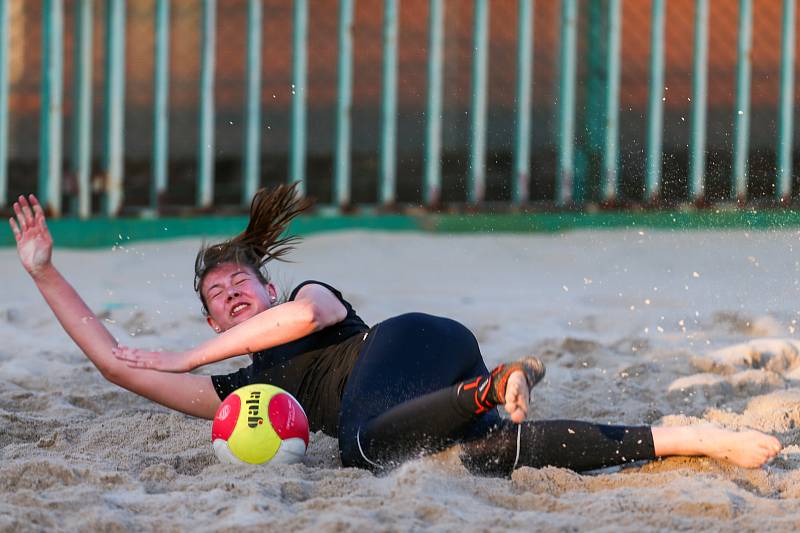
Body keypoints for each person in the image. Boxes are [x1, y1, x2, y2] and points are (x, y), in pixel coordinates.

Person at [8, 188, 783, 476]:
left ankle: (494, 381)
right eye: (216, 295)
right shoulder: (235, 392)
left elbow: (302, 320)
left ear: (266, 286)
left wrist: (183, 350)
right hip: (426, 404)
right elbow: (114, 363)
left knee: (363, 447)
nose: (231, 293)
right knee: (483, 456)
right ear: (212, 319)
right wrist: (44, 271)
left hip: (415, 343)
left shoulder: (311, 298)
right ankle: (686, 439)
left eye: (240, 280)